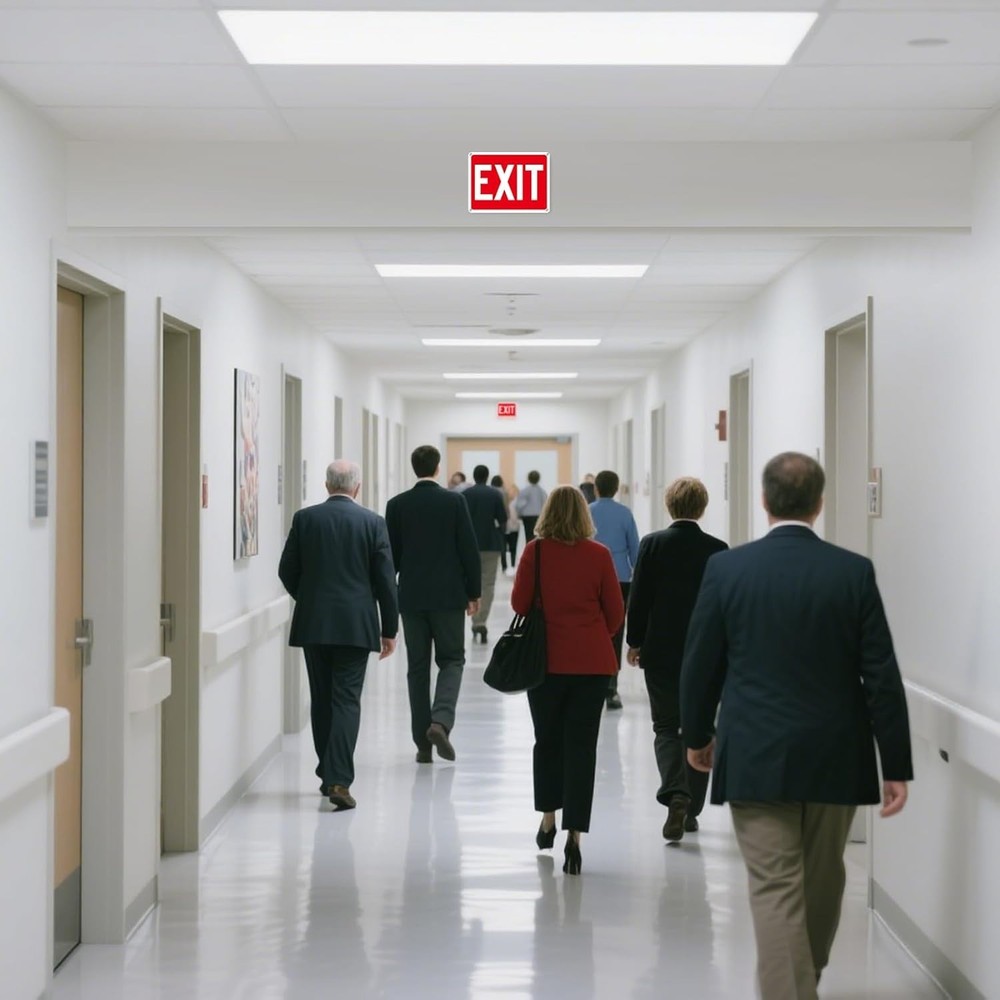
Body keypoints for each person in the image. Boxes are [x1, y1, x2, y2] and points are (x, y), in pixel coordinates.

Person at [680, 452, 913, 999]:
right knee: (824, 875)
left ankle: (794, 985)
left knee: (778, 887)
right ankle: (800, 985)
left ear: (763, 502)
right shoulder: (851, 571)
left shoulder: (729, 569)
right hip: (836, 753)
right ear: (819, 503)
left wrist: (697, 736)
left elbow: (700, 664)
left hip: (756, 752)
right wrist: (895, 762)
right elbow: (880, 672)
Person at [511, 486, 624, 876]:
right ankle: (576, 835)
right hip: (592, 665)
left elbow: (519, 604)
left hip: (544, 665)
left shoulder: (536, 552)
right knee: (582, 747)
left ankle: (548, 817)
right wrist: (591, 634)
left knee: (547, 742)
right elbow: (615, 613)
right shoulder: (600, 555)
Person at [278, 460, 398, 811]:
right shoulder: (373, 523)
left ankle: (327, 772)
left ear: (327, 485)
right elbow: (385, 582)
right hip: (356, 625)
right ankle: (339, 779)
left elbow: (287, 571)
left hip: (315, 624)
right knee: (346, 699)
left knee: (321, 697)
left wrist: (311, 598)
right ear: (356, 488)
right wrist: (388, 629)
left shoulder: (306, 519)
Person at [625, 477, 727, 841]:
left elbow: (639, 598)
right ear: (702, 508)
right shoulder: (718, 548)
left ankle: (676, 794)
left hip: (662, 650)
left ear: (669, 506)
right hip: (705, 652)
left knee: (666, 726)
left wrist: (634, 640)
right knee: (699, 727)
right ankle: (692, 807)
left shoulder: (653, 544)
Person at [386, 445, 481, 763]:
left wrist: (390, 597)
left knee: (417, 669)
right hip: (449, 597)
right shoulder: (454, 501)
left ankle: (422, 744)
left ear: (414, 468)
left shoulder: (397, 505)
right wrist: (474, 591)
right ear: (438, 468)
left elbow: (391, 559)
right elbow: (468, 548)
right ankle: (440, 721)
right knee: (452, 660)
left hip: (411, 598)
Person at [588, 470, 639, 710]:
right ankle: (611, 688)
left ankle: (591, 682)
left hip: (589, 579)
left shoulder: (586, 511)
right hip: (620, 578)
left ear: (596, 488)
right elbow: (635, 550)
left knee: (590, 628)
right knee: (615, 631)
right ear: (616, 488)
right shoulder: (625, 514)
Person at [462, 465, 508, 644]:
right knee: (488, 583)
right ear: (487, 476)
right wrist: (501, 539)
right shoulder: (495, 494)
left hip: (469, 546)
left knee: (470, 582)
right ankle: (481, 621)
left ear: (474, 476)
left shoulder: (465, 495)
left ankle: (474, 618)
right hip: (490, 544)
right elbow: (503, 520)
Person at [514, 470, 547, 542]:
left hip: (527, 517)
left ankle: (530, 550)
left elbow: (519, 505)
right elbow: (545, 504)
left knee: (529, 537)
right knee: (538, 536)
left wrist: (518, 514)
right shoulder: (542, 491)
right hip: (539, 516)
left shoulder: (525, 491)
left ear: (528, 479)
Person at [490, 475, 511, 572]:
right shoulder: (504, 492)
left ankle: (493, 562)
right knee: (502, 541)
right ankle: (504, 565)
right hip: (502, 519)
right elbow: (506, 507)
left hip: (492, 519)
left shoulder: (491, 491)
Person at [504, 481, 522, 575]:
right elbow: (515, 518)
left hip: (508, 528)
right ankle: (512, 565)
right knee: (513, 548)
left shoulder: (508, 503)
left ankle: (507, 566)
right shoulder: (514, 504)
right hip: (514, 528)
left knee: (508, 548)